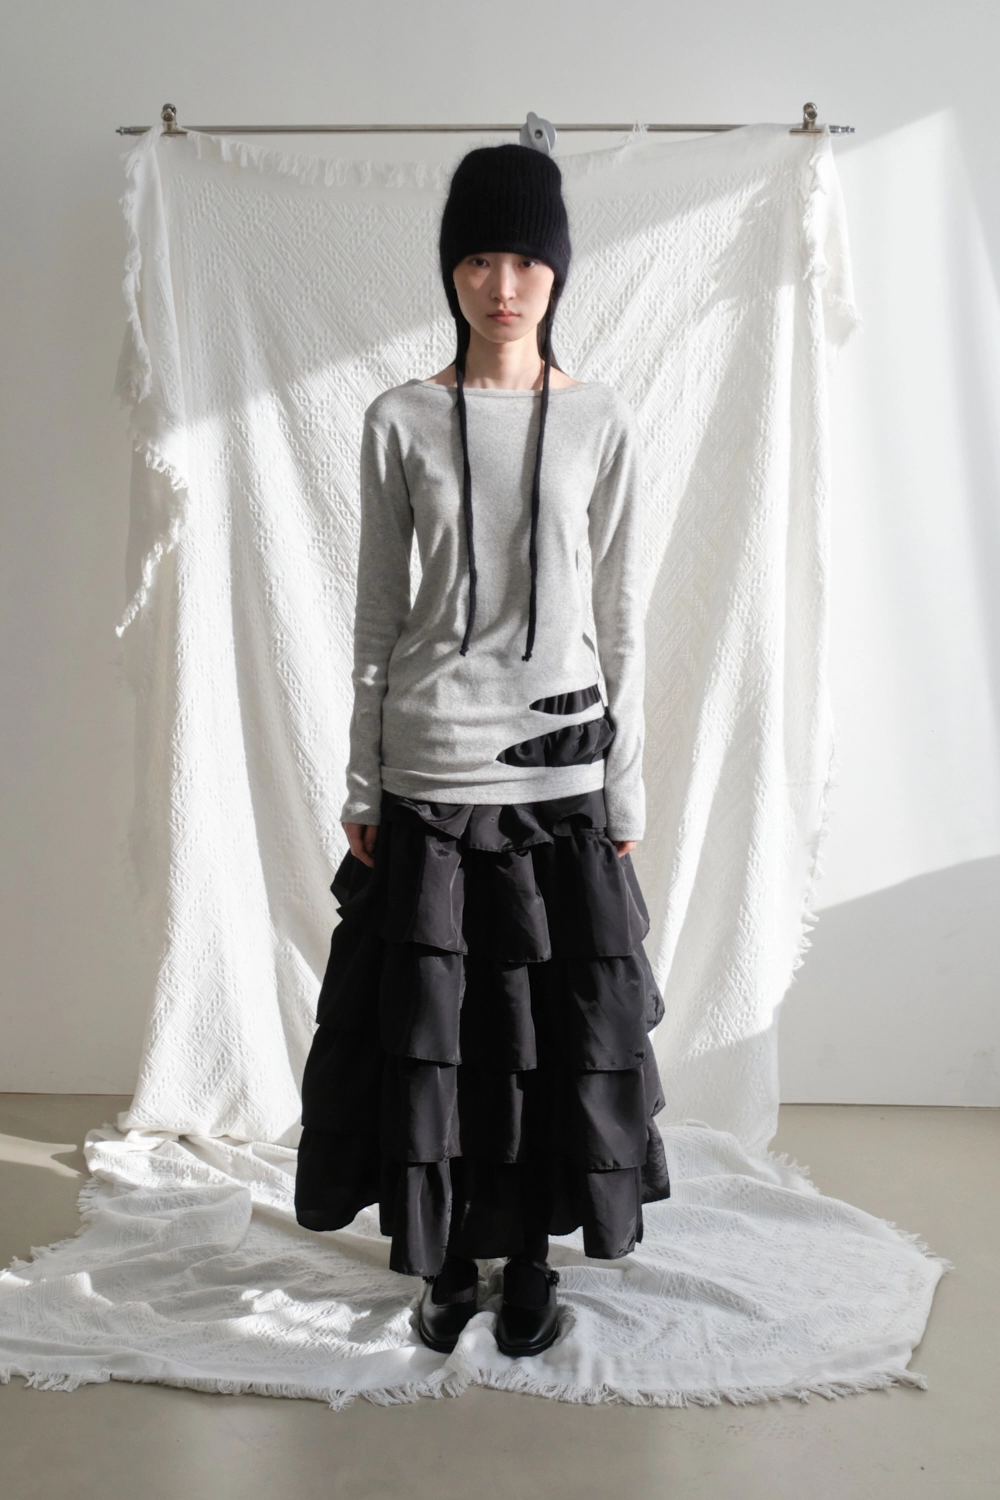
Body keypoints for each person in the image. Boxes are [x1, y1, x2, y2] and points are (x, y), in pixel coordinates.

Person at [294, 142, 670, 1360]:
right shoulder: (397, 417)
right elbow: (375, 613)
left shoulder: (601, 419)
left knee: (549, 1032)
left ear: (557, 272)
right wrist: (362, 777)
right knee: (439, 1033)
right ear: (449, 270)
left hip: (561, 769)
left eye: (524, 261)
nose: (501, 286)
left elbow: (622, 615)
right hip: (428, 765)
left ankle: (532, 1267)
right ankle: (449, 1262)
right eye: (476, 259)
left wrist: (626, 782)